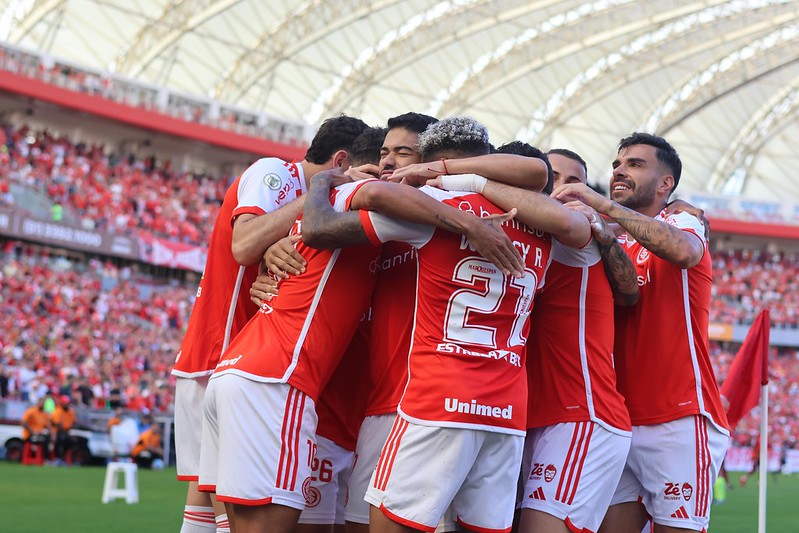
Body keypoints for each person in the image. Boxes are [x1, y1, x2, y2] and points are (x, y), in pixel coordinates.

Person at [199, 118, 524, 533]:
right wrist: (466, 221)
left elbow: (536, 175)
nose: (390, 163)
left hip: (248, 373)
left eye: (402, 154)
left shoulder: (373, 217)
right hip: (279, 378)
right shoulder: (367, 203)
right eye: (385, 154)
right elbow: (344, 210)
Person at [302, 116, 588, 532]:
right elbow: (560, 207)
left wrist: (323, 184)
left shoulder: (432, 210)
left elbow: (324, 226)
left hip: (436, 402)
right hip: (504, 412)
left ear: (432, 162)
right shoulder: (542, 224)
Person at [173, 115, 369, 533]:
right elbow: (244, 244)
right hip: (224, 353)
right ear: (339, 161)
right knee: (236, 517)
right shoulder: (276, 172)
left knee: (209, 513)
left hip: (240, 361)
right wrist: (321, 191)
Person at [552, 132, 730, 533]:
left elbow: (682, 252)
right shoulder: (612, 241)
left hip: (679, 418)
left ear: (666, 183)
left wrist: (600, 202)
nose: (619, 170)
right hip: (618, 421)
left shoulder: (681, 220)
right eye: (617, 164)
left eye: (635, 164)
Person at [516, 147, 638, 533]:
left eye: (576, 181)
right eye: (554, 178)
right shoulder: (528, 240)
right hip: (533, 419)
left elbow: (631, 288)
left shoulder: (580, 235)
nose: (565, 189)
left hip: (581, 415)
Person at [51, 395, 77, 464]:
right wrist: (67, 433)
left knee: (75, 441)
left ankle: (69, 459)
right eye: (65, 403)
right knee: (60, 440)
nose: (67, 405)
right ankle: (57, 458)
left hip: (68, 431)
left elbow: (74, 422)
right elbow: (58, 425)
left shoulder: (71, 412)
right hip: (58, 432)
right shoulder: (58, 411)